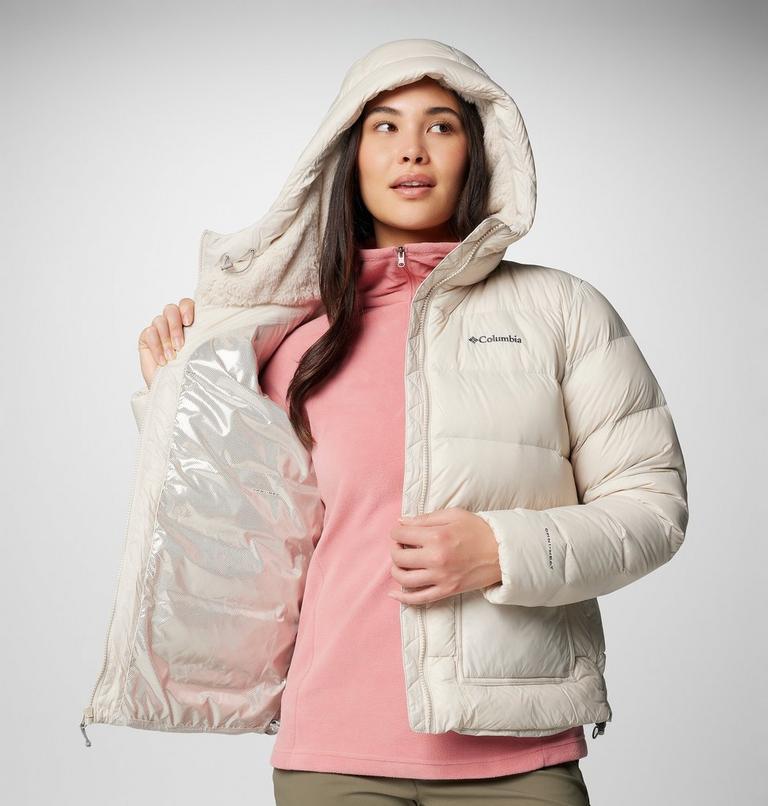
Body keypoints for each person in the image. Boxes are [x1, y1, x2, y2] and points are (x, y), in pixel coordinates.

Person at [83, 39, 688, 806]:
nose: (412, 150)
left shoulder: (563, 312)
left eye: (441, 125)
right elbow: (246, 543)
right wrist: (182, 398)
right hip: (330, 756)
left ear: (479, 151)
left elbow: (653, 510)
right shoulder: (292, 338)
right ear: (348, 155)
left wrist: (499, 550)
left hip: (518, 754)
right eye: (385, 126)